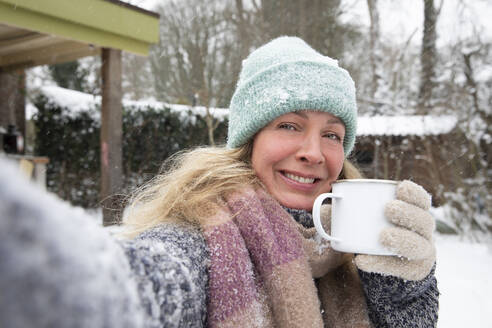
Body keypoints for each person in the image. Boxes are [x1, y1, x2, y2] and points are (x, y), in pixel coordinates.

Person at [0, 36, 438, 328]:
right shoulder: (202, 240)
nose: (314, 152)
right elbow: (132, 286)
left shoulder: (354, 254)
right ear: (249, 141)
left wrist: (405, 293)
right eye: (289, 125)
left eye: (332, 134)